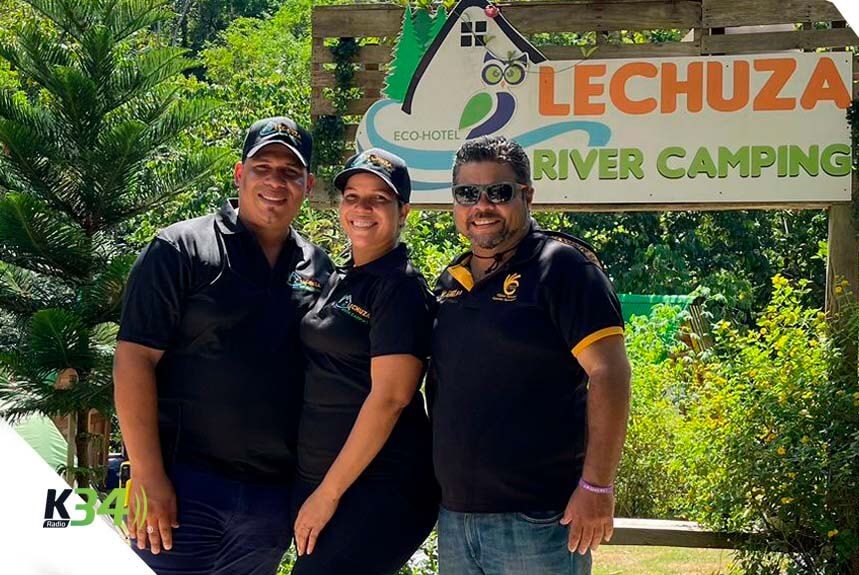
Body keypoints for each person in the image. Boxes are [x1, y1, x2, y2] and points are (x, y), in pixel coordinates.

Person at [114, 117, 334, 574]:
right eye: (263, 167)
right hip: (181, 491)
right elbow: (134, 359)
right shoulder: (181, 249)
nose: (276, 181)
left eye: (291, 172)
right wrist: (148, 475)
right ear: (240, 174)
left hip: (270, 502)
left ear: (308, 184)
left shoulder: (319, 267)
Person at [428, 136, 632, 574]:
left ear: (527, 195)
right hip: (456, 518)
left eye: (498, 192)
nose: (482, 205)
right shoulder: (450, 280)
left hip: (540, 520)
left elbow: (611, 374)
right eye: (467, 193)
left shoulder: (563, 268)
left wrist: (597, 486)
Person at [291, 148, 439, 575]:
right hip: (333, 482)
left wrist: (328, 494)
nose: (362, 208)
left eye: (379, 199)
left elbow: (391, 398)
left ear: (404, 211)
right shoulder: (341, 278)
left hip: (381, 487)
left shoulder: (400, 288)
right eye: (353, 196)